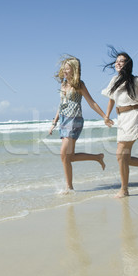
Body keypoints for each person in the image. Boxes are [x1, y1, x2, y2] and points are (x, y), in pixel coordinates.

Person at [49, 55, 113, 191]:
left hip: (74, 120)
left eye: (67, 69)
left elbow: (91, 102)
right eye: (63, 69)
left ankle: (69, 187)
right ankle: (97, 157)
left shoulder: (79, 84)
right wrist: (54, 122)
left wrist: (104, 117)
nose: (64, 72)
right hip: (63, 119)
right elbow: (61, 104)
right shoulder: (63, 84)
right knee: (69, 157)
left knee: (63, 154)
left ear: (74, 70)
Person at [101, 46, 138, 198]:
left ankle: (124, 190)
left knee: (120, 155)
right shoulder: (114, 80)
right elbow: (112, 99)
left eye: (121, 61)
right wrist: (107, 116)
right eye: (116, 61)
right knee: (123, 157)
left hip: (133, 115)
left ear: (128, 64)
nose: (117, 64)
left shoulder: (137, 81)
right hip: (121, 119)